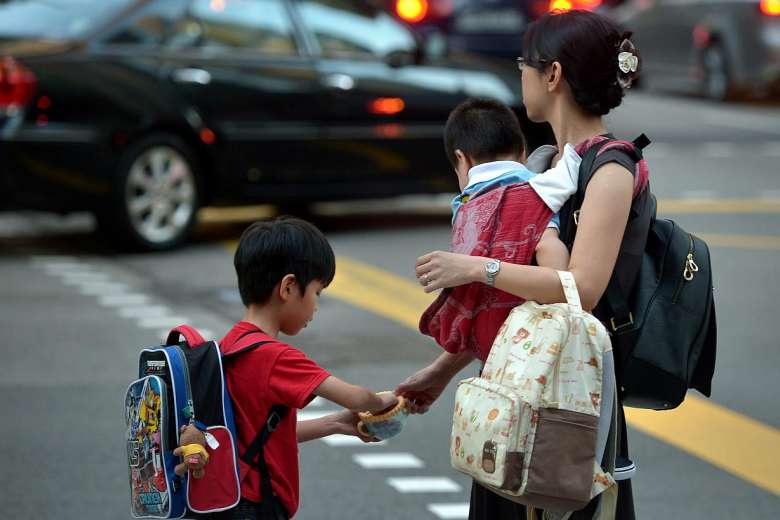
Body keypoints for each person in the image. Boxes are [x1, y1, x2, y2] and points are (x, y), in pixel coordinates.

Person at [397, 10, 646, 520]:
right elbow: (519, 307)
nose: (521, 77)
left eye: (524, 66)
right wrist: (441, 372)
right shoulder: (545, 165)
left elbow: (582, 288)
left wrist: (474, 268)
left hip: (571, 401)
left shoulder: (612, 168)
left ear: (552, 76)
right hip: (514, 394)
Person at [179, 217, 398, 520]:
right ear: (289, 287)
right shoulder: (275, 357)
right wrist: (389, 401)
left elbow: (260, 434)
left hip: (229, 503)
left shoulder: (231, 344)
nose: (317, 306)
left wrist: (334, 423)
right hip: (257, 507)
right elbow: (357, 398)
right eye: (317, 292)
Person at [419, 97, 581, 359]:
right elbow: (548, 245)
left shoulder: (464, 209)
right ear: (523, 152)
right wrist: (559, 302)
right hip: (533, 343)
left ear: (462, 160)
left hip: (493, 350)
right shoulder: (540, 190)